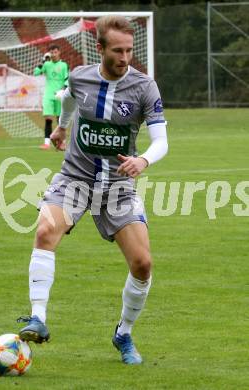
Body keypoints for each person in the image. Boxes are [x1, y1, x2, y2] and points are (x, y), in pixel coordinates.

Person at [18, 15, 168, 365]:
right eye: (117, 50)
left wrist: (143, 160)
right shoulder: (80, 76)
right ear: (99, 49)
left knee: (143, 264)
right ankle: (38, 317)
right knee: (45, 231)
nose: (125, 57)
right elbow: (70, 99)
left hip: (117, 186)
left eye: (130, 50)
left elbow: (161, 141)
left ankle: (124, 334)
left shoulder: (145, 87)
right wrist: (61, 129)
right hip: (76, 177)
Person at [33, 44, 69, 150]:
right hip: (48, 94)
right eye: (52, 52)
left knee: (60, 120)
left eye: (55, 52)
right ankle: (47, 143)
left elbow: (67, 78)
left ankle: (62, 143)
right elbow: (36, 72)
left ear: (59, 52)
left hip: (59, 94)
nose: (53, 54)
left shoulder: (63, 65)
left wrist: (64, 90)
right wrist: (43, 61)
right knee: (48, 118)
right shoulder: (47, 65)